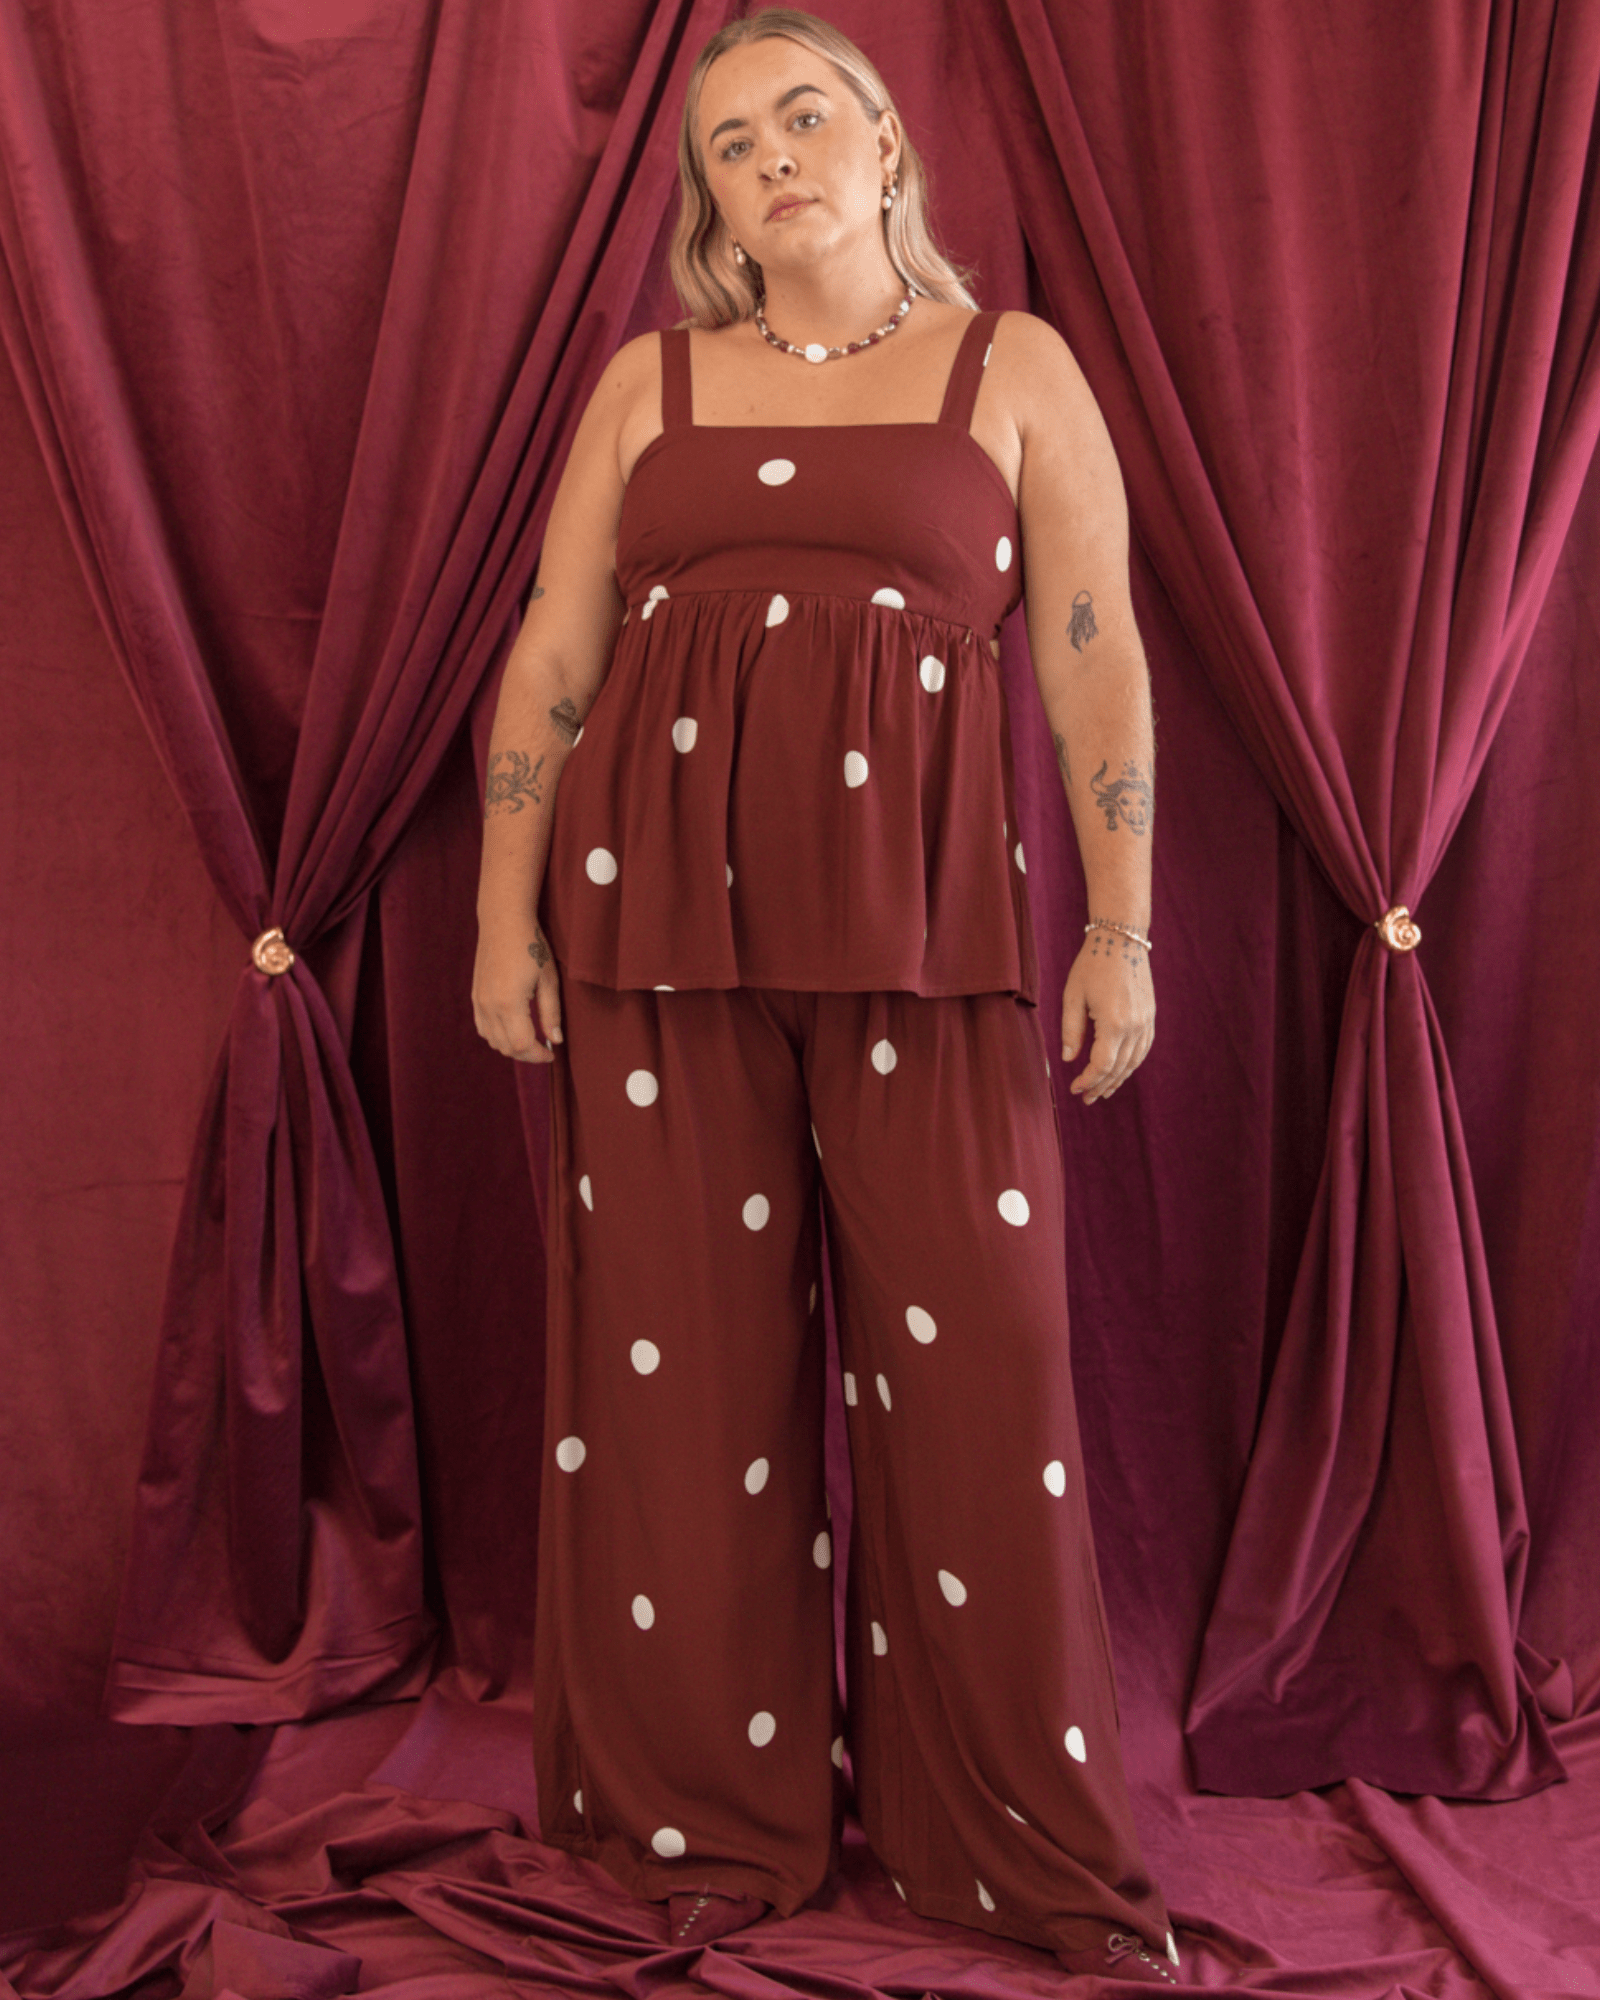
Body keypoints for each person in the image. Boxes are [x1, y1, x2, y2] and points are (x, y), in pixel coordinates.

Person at [472, 7, 1176, 1985]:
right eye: (728, 143)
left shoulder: (1009, 366)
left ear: (883, 146)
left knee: (983, 1390)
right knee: (679, 1389)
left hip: (929, 943)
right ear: (709, 203)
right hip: (647, 940)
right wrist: (502, 923)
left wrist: (1119, 928)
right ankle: (707, 1818)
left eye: (802, 116)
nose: (770, 155)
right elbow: (553, 659)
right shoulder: (648, 384)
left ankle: (1004, 1839)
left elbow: (1093, 652)